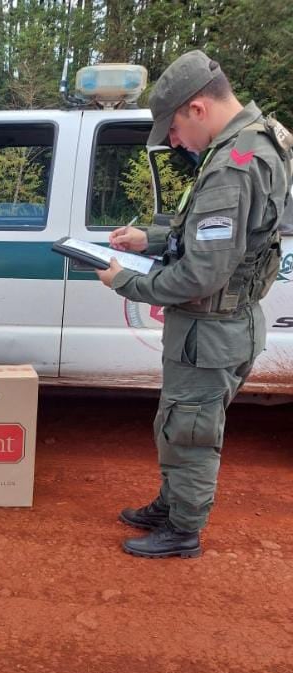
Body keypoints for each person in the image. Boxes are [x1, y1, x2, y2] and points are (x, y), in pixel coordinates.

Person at [96, 50, 293, 558]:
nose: (175, 142)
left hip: (212, 328)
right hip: (219, 326)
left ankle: (182, 531)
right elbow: (219, 240)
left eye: (176, 130)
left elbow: (202, 272)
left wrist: (125, 282)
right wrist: (151, 238)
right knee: (179, 422)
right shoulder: (254, 143)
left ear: (198, 108)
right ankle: (172, 502)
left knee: (191, 432)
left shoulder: (232, 166)